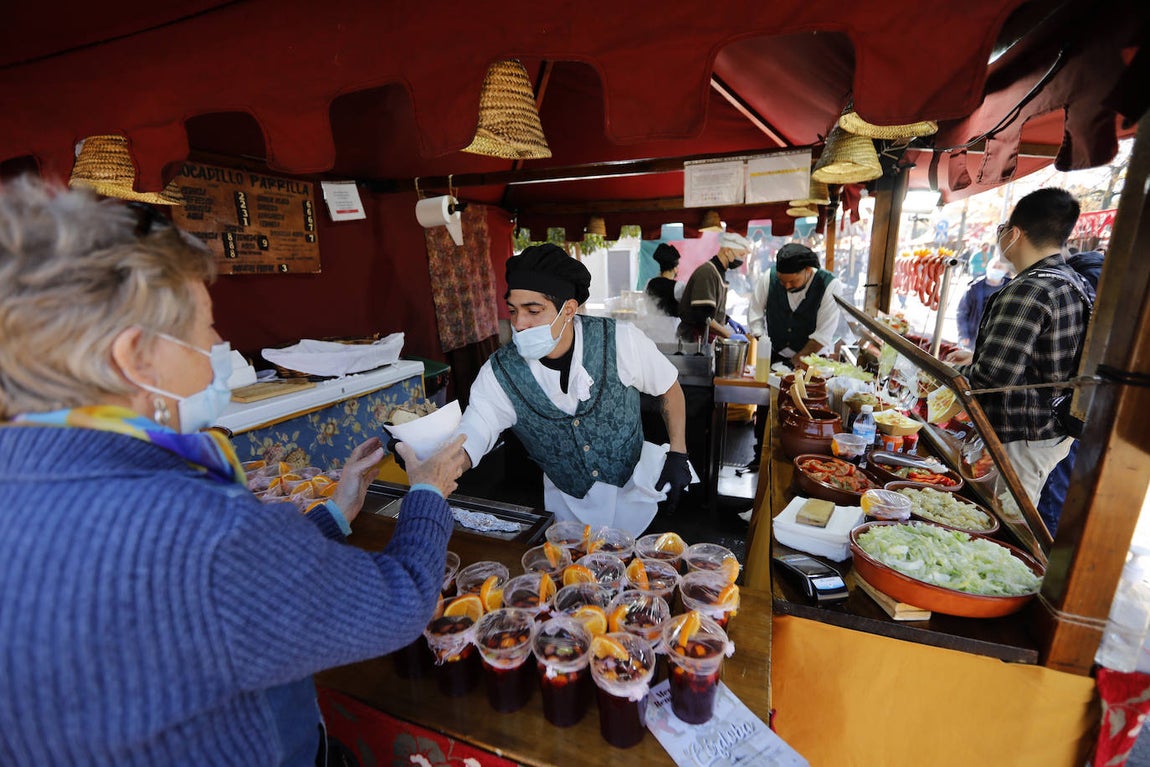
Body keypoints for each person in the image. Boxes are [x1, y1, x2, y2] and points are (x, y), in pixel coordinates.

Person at [0, 178, 470, 766]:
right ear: (134, 356)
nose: (220, 344)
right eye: (204, 327)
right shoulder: (195, 528)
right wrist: (425, 491)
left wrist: (331, 513)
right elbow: (400, 603)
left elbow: (203, 606)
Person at [457, 244, 690, 534]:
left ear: (567, 309)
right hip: (567, 509)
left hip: (636, 498)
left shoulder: (620, 340)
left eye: (533, 311)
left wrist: (678, 453)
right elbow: (476, 429)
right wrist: (440, 460)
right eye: (513, 310)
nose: (519, 323)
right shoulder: (500, 372)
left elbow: (669, 388)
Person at [946, 188, 1093, 506]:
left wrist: (944, 371)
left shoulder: (1028, 289)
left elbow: (990, 380)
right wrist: (976, 356)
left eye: (1002, 230)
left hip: (1018, 439)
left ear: (1014, 233)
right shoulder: (1072, 282)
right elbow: (1046, 356)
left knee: (1001, 527)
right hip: (1049, 433)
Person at [745, 242, 845, 468]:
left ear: (808, 271)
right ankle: (759, 456)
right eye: (782, 280)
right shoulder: (768, 278)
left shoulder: (829, 286)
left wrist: (796, 363)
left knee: (800, 412)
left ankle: (795, 461)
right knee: (766, 406)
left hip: (810, 361)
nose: (786, 285)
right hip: (774, 353)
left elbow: (822, 335)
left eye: (792, 281)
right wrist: (762, 341)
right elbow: (755, 314)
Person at [1036, 248, 1105, 534]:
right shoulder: (1102, 288)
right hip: (1092, 412)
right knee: (1071, 491)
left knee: (1053, 494)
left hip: (1071, 413)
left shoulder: (1081, 286)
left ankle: (1047, 558)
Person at [677, 231, 752, 343]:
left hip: (704, 340)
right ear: (727, 251)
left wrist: (727, 320)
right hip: (692, 342)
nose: (742, 260)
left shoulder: (718, 272)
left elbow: (711, 310)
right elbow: (703, 316)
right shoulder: (707, 273)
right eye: (741, 255)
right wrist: (729, 335)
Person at [956, 259, 1012, 349]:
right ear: (987, 267)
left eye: (1000, 267)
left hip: (997, 338)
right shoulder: (974, 288)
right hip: (973, 338)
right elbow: (962, 312)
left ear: (1006, 271)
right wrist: (963, 334)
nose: (996, 269)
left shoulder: (1011, 288)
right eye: (994, 266)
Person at [645, 242, 682, 317]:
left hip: (652, 325)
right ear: (674, 268)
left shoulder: (650, 283)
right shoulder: (678, 286)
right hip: (672, 327)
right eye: (677, 266)